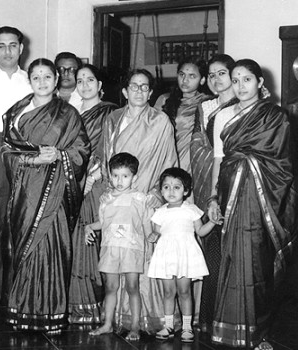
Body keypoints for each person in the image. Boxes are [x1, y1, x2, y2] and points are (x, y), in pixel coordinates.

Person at [211, 59, 298, 350]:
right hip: (230, 196)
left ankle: (258, 332)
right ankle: (230, 328)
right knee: (233, 258)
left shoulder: (276, 117)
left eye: (246, 79)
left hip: (262, 202)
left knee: (258, 265)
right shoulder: (223, 117)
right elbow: (219, 161)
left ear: (260, 82)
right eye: (235, 80)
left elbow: (283, 165)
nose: (240, 86)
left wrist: (248, 163)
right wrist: (213, 197)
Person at [2, 58, 90, 332]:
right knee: (24, 249)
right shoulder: (16, 112)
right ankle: (21, 310)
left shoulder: (69, 114)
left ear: (56, 80)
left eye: (47, 77)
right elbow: (6, 150)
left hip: (55, 192)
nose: (42, 82)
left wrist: (60, 154)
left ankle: (51, 312)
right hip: (25, 193)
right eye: (36, 77)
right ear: (29, 81)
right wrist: (30, 161)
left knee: (52, 247)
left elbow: (82, 150)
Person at [98, 68, 177, 333]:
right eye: (134, 86)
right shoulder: (113, 119)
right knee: (116, 259)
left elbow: (168, 161)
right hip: (118, 198)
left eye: (145, 87)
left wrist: (155, 194)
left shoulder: (161, 121)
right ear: (124, 91)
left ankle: (146, 320)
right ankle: (114, 319)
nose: (139, 91)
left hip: (145, 199)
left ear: (151, 92)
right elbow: (105, 156)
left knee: (142, 261)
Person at [0, 26, 31, 319]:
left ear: (21, 48)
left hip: (26, 153)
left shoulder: (33, 80)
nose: (8, 51)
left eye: (13, 45)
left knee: (25, 227)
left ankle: (22, 296)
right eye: (1, 46)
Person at [189, 54, 237, 333]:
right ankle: (209, 317)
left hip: (238, 184)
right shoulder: (205, 106)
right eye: (212, 74)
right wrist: (209, 190)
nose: (217, 79)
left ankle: (235, 317)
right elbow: (197, 147)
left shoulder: (245, 106)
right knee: (213, 250)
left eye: (223, 73)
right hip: (212, 185)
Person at [68, 64, 117, 325]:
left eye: (90, 80)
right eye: (80, 80)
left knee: (92, 239)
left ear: (100, 85)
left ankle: (94, 305)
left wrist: (93, 177)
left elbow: (110, 148)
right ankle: (78, 304)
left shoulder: (109, 112)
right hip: (73, 182)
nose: (84, 85)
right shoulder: (71, 112)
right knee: (76, 242)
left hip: (96, 184)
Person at [85, 152, 152, 341]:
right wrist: (89, 227)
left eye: (125, 176)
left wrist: (151, 242)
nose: (119, 180)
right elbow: (103, 222)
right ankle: (107, 324)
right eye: (115, 175)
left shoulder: (140, 198)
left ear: (134, 177)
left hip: (132, 249)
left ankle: (135, 326)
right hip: (110, 249)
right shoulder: (105, 199)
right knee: (110, 287)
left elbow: (146, 224)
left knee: (132, 287)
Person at [148, 167, 219, 343]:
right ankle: (169, 325)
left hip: (185, 255)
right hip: (166, 255)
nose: (171, 191)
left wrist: (212, 222)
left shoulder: (191, 209)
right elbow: (156, 231)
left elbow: (201, 232)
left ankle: (187, 327)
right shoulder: (160, 212)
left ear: (186, 190)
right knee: (168, 292)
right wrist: (154, 235)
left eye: (176, 187)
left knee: (185, 291)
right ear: (161, 190)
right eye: (166, 187)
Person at [155, 56, 209, 173]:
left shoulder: (207, 103)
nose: (185, 80)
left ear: (202, 80)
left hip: (195, 163)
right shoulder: (164, 100)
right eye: (182, 74)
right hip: (166, 161)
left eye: (192, 76)